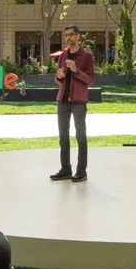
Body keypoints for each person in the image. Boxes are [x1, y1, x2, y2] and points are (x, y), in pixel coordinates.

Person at [51, 25, 95, 182]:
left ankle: (81, 171)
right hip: (62, 100)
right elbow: (57, 78)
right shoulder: (63, 55)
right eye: (66, 35)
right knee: (63, 136)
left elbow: (90, 80)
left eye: (71, 35)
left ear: (78, 36)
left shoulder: (87, 55)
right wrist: (59, 75)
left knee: (80, 136)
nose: (68, 38)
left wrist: (76, 70)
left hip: (78, 101)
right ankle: (65, 169)